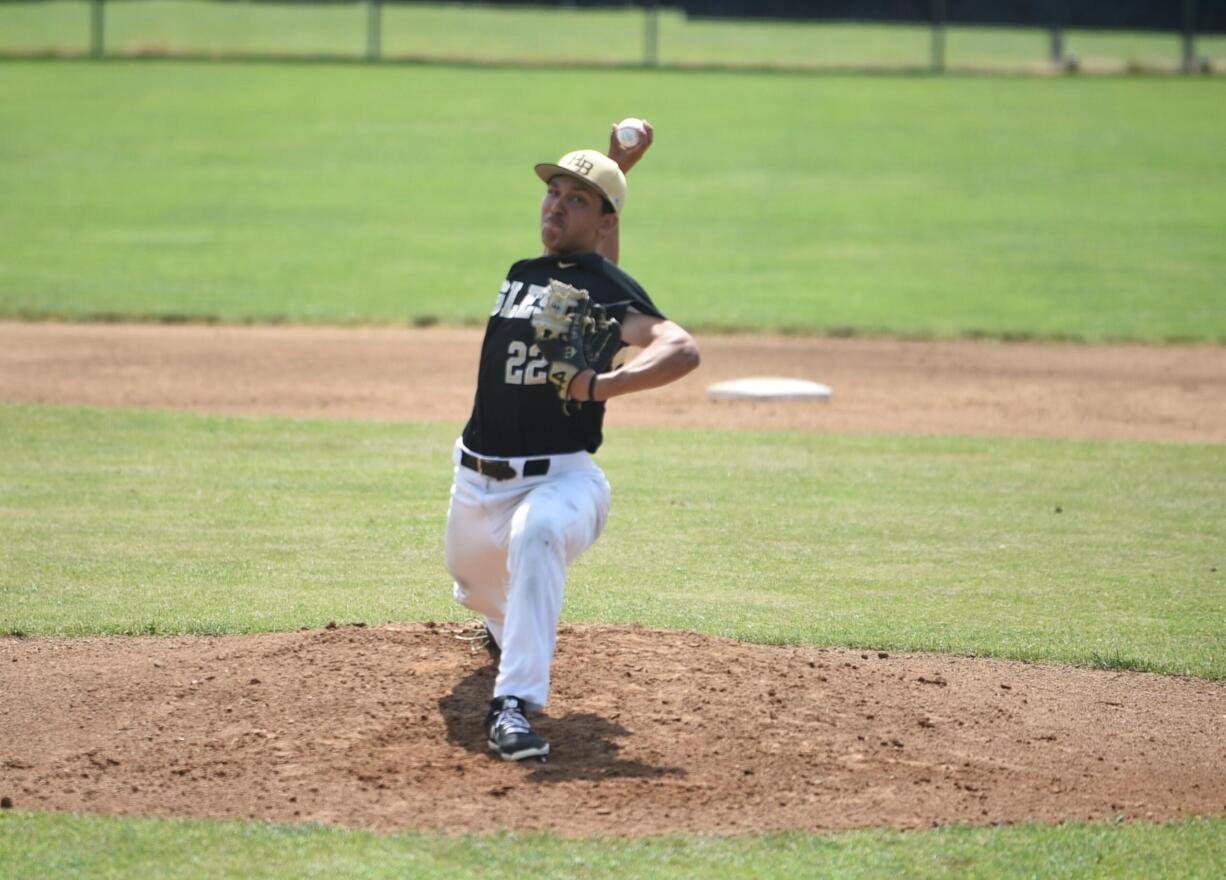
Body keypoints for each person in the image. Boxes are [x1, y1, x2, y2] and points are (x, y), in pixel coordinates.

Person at [444, 122, 700, 761]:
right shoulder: (526, 270)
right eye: (552, 192)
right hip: (475, 484)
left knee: (537, 536)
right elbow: (587, 251)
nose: (556, 204)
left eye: (576, 198)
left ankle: (515, 705)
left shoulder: (606, 290)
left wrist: (599, 386)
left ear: (604, 220)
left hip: (562, 479)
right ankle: (505, 627)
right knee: (476, 587)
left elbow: (679, 349)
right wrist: (608, 170)